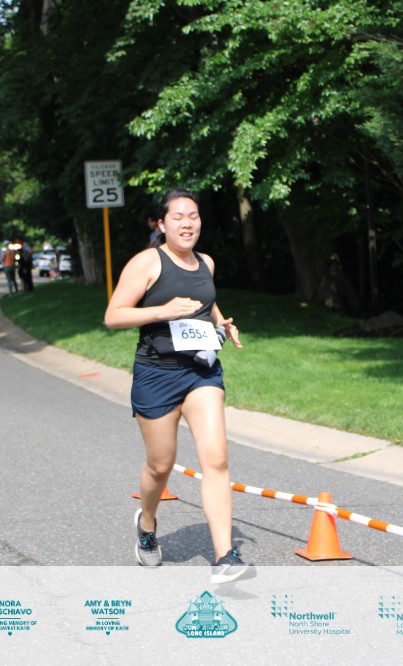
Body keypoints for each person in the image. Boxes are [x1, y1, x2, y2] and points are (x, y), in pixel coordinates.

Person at [104, 188, 254, 584]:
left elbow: (205, 302)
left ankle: (225, 556)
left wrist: (221, 322)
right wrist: (163, 311)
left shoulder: (206, 262)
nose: (188, 224)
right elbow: (113, 316)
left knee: (216, 460)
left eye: (194, 216)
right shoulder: (147, 262)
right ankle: (147, 524)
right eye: (178, 217)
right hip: (157, 374)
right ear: (161, 223)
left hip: (201, 372)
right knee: (161, 464)